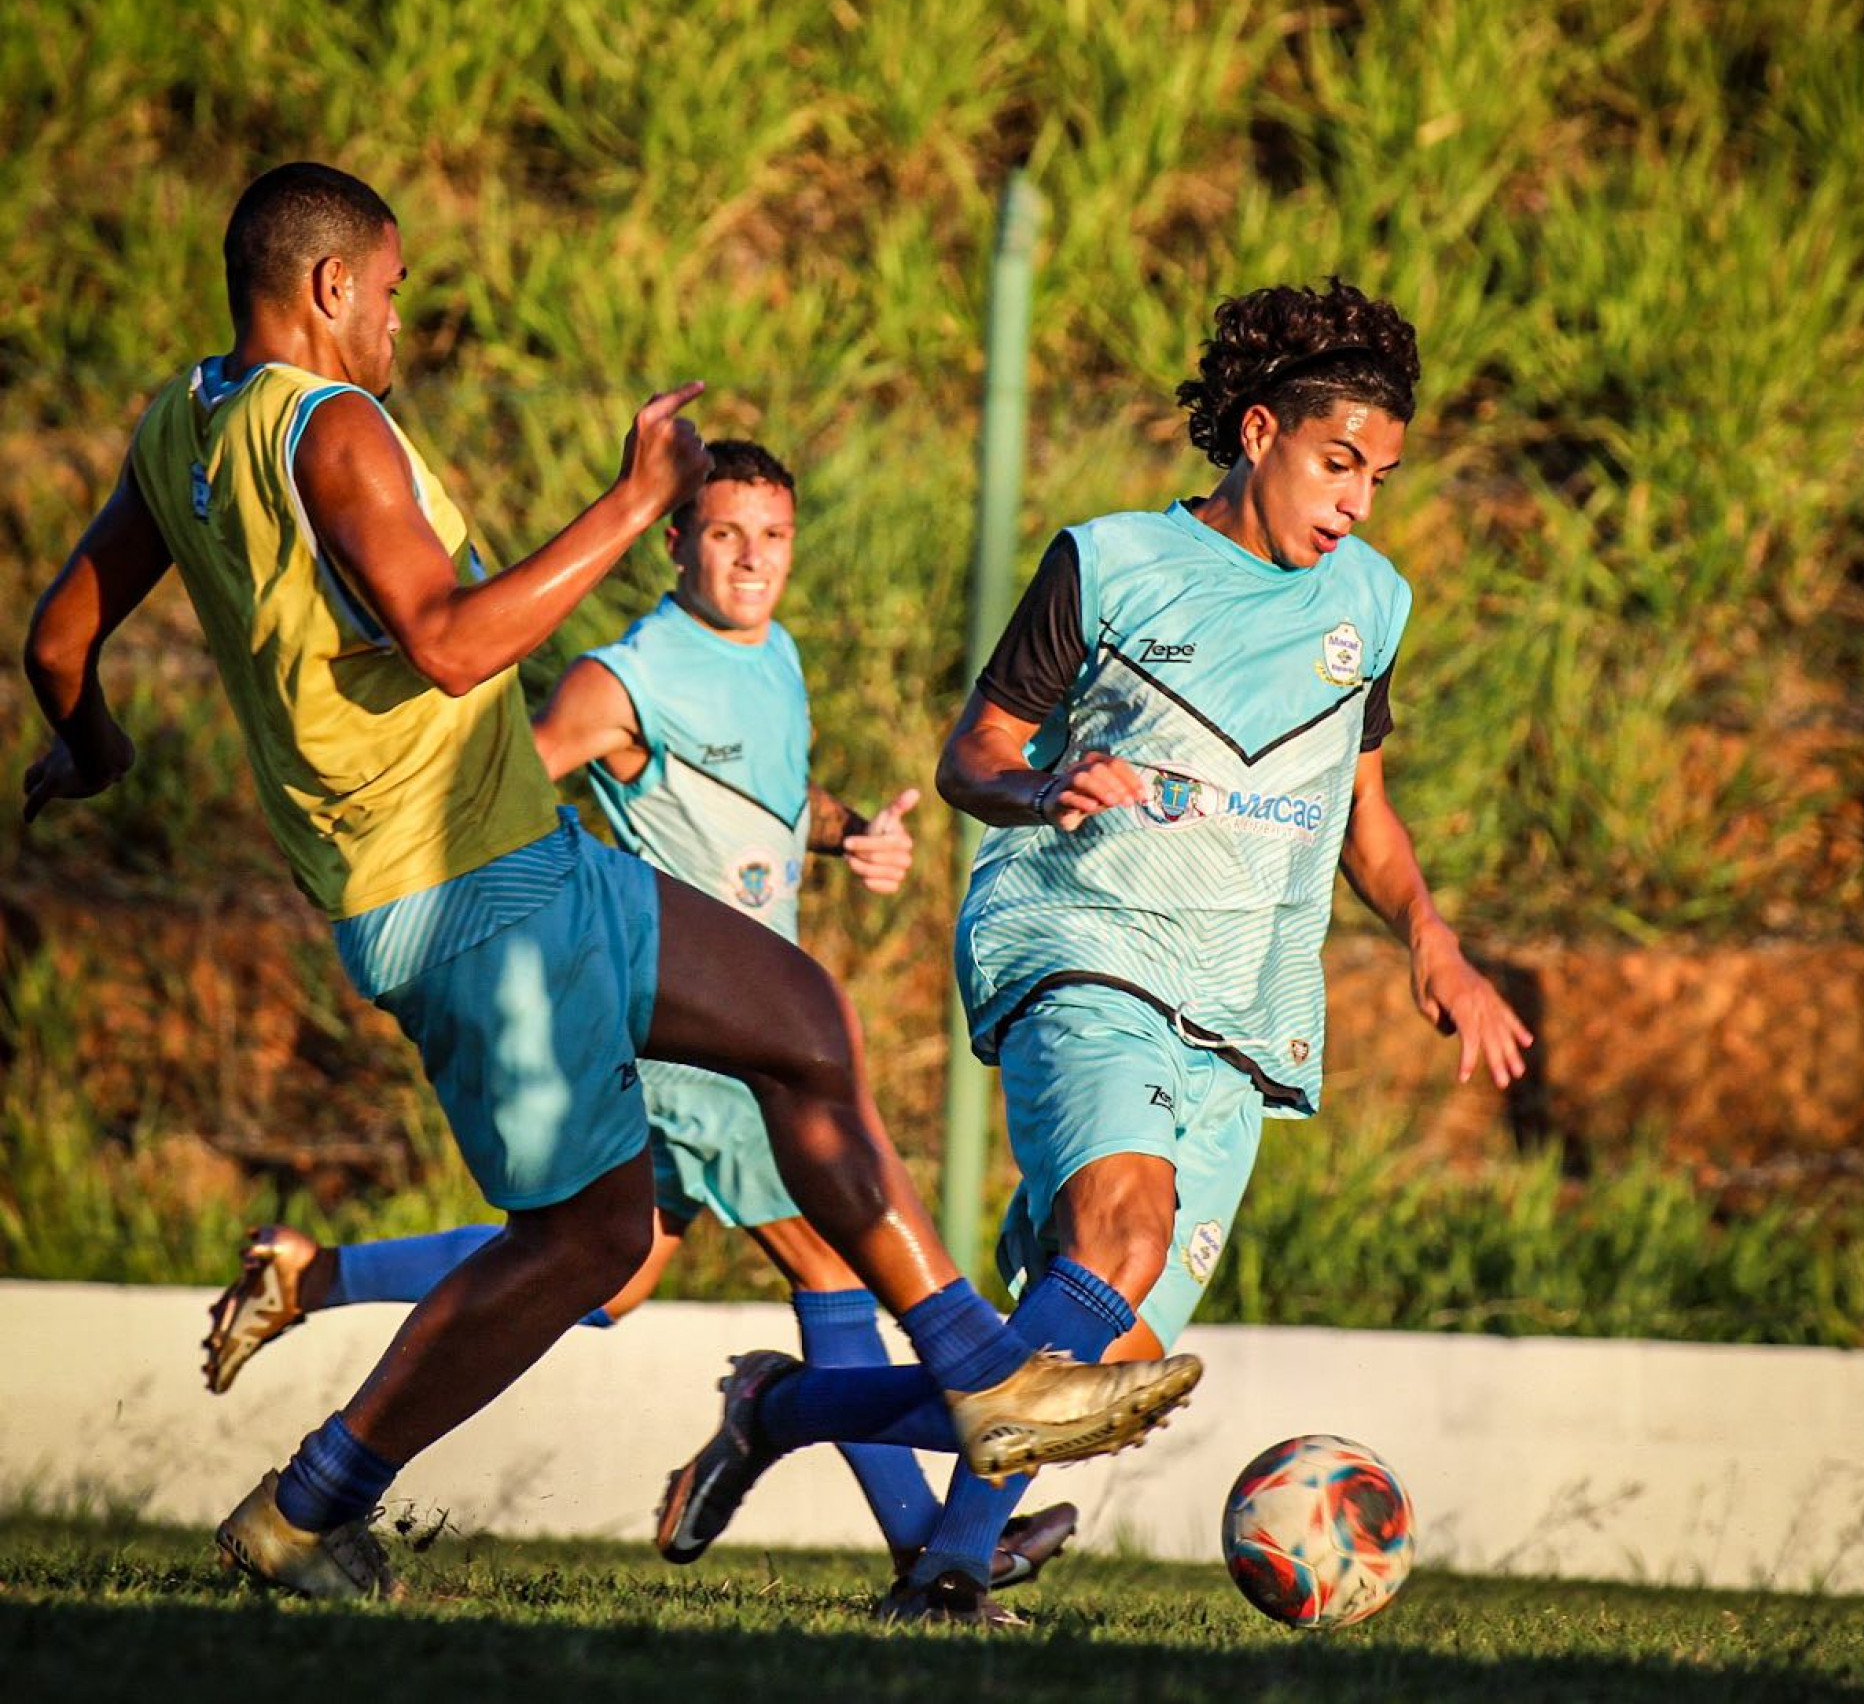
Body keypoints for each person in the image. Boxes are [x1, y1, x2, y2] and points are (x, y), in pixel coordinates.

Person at [19, 161, 1200, 1600]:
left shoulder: (180, 423)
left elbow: (56, 644)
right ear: (330, 287)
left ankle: (978, 1379)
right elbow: (454, 644)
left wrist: (89, 748)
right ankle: (305, 1508)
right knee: (592, 1243)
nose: (399, 321)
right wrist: (634, 504)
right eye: (391, 292)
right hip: (457, 897)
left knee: (800, 1021)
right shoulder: (336, 431)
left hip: (527, 853)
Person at [200, 440, 1076, 1592]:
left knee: (604, 1277)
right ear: (674, 544)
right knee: (834, 1273)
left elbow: (766, 793)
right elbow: (509, 802)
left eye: (772, 536)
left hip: (742, 1020)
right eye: (723, 534)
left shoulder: (778, 656)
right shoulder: (622, 677)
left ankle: (319, 1277)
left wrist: (847, 828)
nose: (752, 560)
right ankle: (930, 1545)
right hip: (687, 1031)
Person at [895, 277, 1534, 1623]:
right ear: (1258, 434)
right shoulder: (1110, 561)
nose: (1359, 499)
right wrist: (1044, 787)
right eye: (1337, 462)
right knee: (1123, 1233)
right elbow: (976, 754)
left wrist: (1434, 939)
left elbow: (1361, 808)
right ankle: (946, 1579)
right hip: (1087, 937)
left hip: (1243, 1004)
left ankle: (779, 1411)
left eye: (1382, 474)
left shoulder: (1374, 604)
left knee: (1101, 1360)